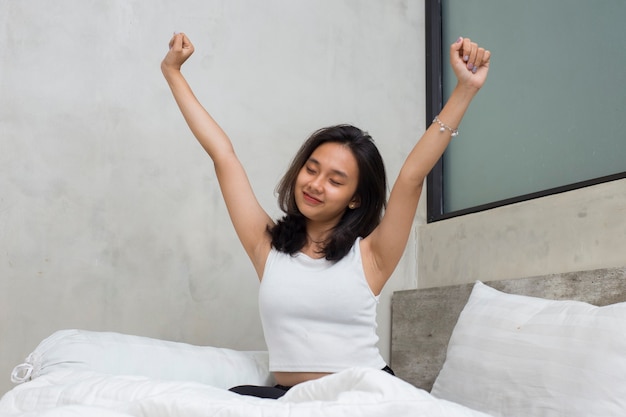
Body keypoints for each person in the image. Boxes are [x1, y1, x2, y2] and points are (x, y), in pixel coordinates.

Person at [161, 32, 490, 399]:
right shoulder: (265, 246)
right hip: (291, 399)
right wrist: (173, 72)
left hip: (361, 396)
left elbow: (412, 178)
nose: (316, 184)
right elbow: (223, 154)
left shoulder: (371, 257)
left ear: (355, 199)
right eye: (312, 169)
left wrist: (465, 88)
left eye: (335, 180)